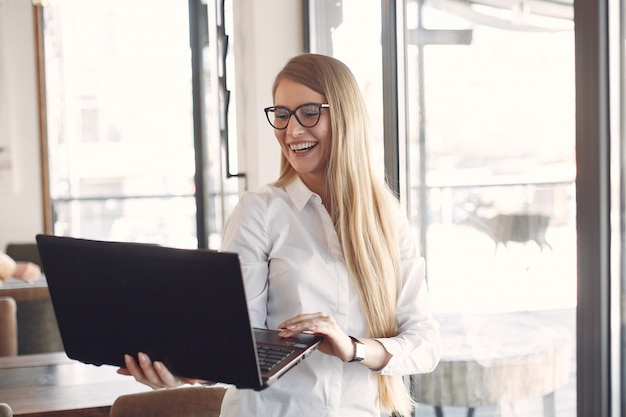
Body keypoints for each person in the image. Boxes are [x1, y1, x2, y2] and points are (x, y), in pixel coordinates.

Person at [120, 53, 442, 417]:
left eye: (308, 113)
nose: (291, 131)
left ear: (345, 116)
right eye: (282, 114)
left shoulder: (388, 220)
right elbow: (237, 340)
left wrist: (352, 347)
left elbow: (425, 344)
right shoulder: (260, 212)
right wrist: (184, 370)